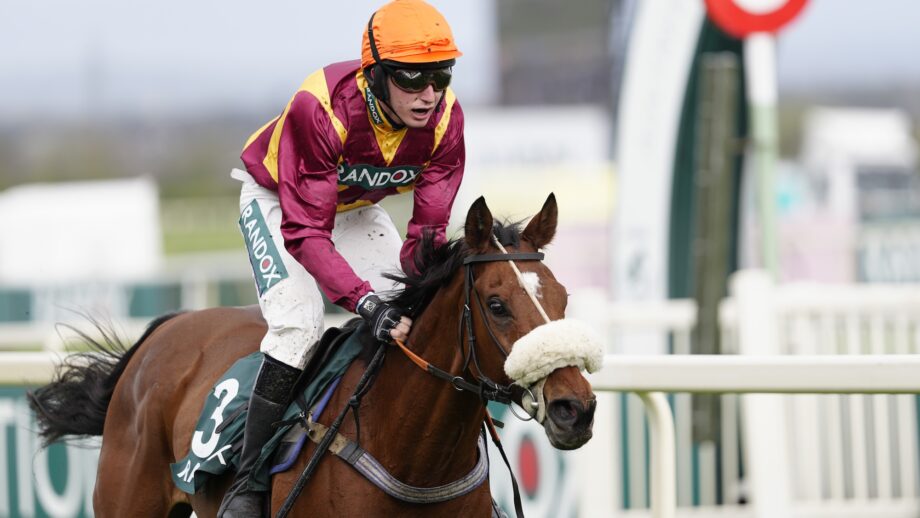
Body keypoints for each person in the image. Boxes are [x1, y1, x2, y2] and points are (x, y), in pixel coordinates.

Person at [218, 0, 465, 515]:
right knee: (299, 326)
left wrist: (409, 300)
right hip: (280, 201)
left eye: (441, 76)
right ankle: (248, 484)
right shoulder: (322, 107)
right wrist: (365, 304)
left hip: (353, 208)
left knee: (412, 319)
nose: (430, 95)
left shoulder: (446, 121)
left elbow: (428, 231)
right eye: (413, 79)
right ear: (375, 75)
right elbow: (306, 231)